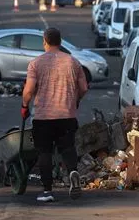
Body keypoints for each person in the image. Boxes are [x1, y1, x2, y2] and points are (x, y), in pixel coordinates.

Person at [21, 27, 89, 202]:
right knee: (67, 148)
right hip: (67, 115)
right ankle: (73, 171)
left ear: (45, 41)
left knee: (44, 152)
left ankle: (47, 191)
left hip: (44, 117)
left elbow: (28, 90)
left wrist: (24, 105)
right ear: (60, 41)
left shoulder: (36, 63)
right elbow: (83, 88)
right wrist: (76, 100)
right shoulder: (73, 62)